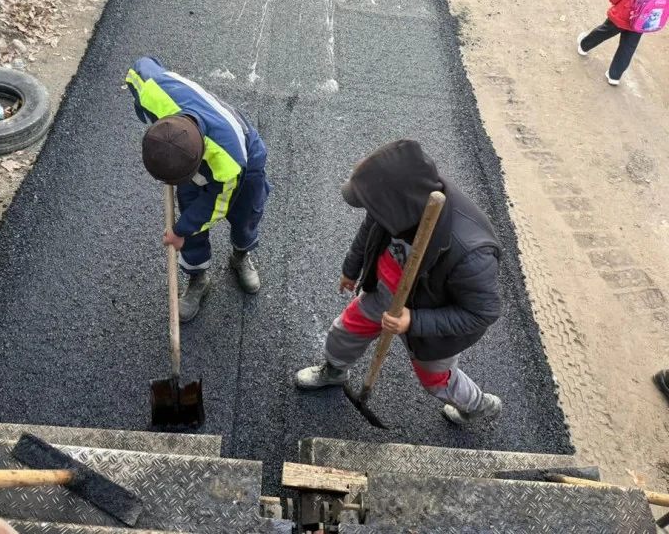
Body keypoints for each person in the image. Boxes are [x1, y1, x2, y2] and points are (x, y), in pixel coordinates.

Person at [294, 140, 502, 425]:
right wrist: (351, 268)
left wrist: (413, 321)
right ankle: (334, 371)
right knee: (345, 332)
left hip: (430, 318)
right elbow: (370, 229)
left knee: (435, 380)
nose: (370, 212)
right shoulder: (395, 203)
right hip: (384, 292)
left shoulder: (471, 254)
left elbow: (482, 313)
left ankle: (478, 405)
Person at [126, 57, 271, 322]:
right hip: (180, 150)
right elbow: (140, 68)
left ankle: (241, 256)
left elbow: (216, 205)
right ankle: (199, 278)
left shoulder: (230, 162)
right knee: (189, 213)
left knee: (244, 215)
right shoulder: (152, 90)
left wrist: (180, 231)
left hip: (246, 163)